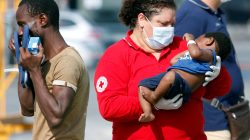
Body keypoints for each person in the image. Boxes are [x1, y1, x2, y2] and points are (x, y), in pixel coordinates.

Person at [94, 0, 232, 139]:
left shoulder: (186, 47)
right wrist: (153, 103)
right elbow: (109, 107)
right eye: (163, 24)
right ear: (142, 19)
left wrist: (218, 74)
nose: (170, 29)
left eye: (172, 24)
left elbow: (218, 91)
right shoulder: (116, 54)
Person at [8, 0, 89, 139]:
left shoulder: (67, 61)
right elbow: (28, 109)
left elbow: (55, 117)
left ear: (43, 20)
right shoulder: (41, 62)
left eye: (23, 25)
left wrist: (34, 70)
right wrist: (23, 65)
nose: (20, 33)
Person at [175, 0, 245, 139]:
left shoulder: (215, 12)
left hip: (230, 113)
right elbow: (179, 64)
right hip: (212, 120)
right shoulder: (193, 14)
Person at [138, 32, 231, 122]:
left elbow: (195, 53)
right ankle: (147, 112)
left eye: (197, 40)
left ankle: (154, 97)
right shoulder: (193, 54)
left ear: (209, 41)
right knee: (143, 85)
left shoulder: (210, 54)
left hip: (181, 84)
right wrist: (187, 52)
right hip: (170, 79)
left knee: (170, 76)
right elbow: (173, 61)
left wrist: (191, 40)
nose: (194, 43)